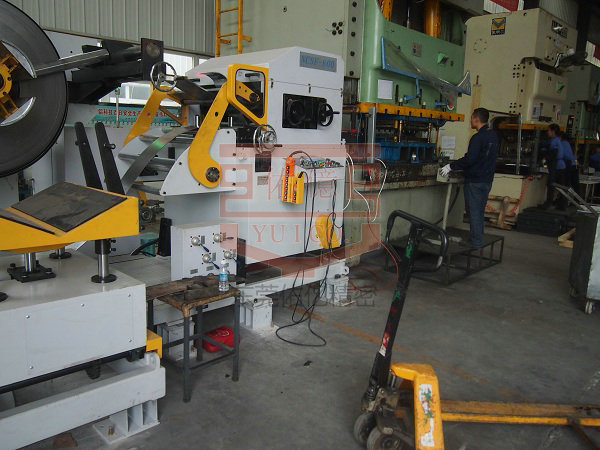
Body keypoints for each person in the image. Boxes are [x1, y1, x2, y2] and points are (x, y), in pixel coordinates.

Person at [441, 107, 499, 248]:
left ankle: (475, 241)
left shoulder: (477, 138)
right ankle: (478, 237)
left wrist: (451, 166)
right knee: (479, 211)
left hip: (475, 181)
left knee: (473, 212)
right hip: (487, 180)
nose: (470, 121)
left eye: (472, 118)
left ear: (476, 119)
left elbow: (470, 159)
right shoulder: (493, 136)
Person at [543, 124, 567, 210]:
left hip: (557, 166)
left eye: (548, 130)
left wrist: (544, 160)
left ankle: (549, 204)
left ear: (553, 132)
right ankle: (562, 205)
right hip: (561, 166)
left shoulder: (554, 141)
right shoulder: (556, 140)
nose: (547, 132)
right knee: (561, 187)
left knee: (551, 184)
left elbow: (553, 154)